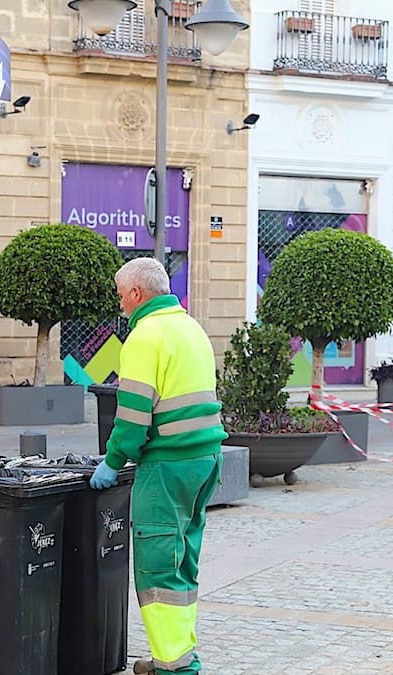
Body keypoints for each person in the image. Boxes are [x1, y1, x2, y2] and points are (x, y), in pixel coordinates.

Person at [89, 257, 225, 675]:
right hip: (205, 461)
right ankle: (176, 655)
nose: (121, 307)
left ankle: (175, 668)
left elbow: (131, 417)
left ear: (135, 293)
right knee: (182, 563)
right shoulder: (191, 328)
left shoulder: (145, 337)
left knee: (157, 570)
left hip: (168, 466)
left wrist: (112, 462)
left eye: (121, 297)